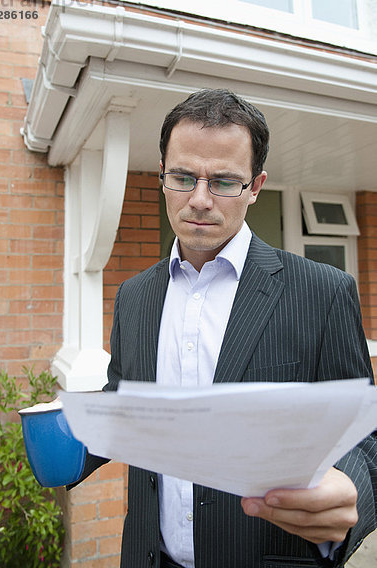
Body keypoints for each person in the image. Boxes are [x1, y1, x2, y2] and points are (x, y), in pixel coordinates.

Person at [71, 89, 377, 568]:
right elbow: (126, 406)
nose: (199, 200)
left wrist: (354, 488)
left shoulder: (323, 292)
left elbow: (365, 433)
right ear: (162, 177)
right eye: (183, 177)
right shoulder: (134, 297)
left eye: (224, 182)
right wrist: (69, 438)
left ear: (255, 186)